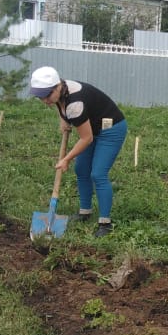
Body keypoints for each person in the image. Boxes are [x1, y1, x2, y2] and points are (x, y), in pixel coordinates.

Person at [29, 66, 127, 237]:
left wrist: (66, 159)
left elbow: (86, 138)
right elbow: (60, 104)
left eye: (47, 95)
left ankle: (105, 223)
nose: (45, 100)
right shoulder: (62, 91)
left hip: (111, 129)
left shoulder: (75, 103)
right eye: (40, 96)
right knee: (81, 169)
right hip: (92, 128)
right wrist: (62, 119)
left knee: (98, 174)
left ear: (58, 86)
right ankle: (85, 212)